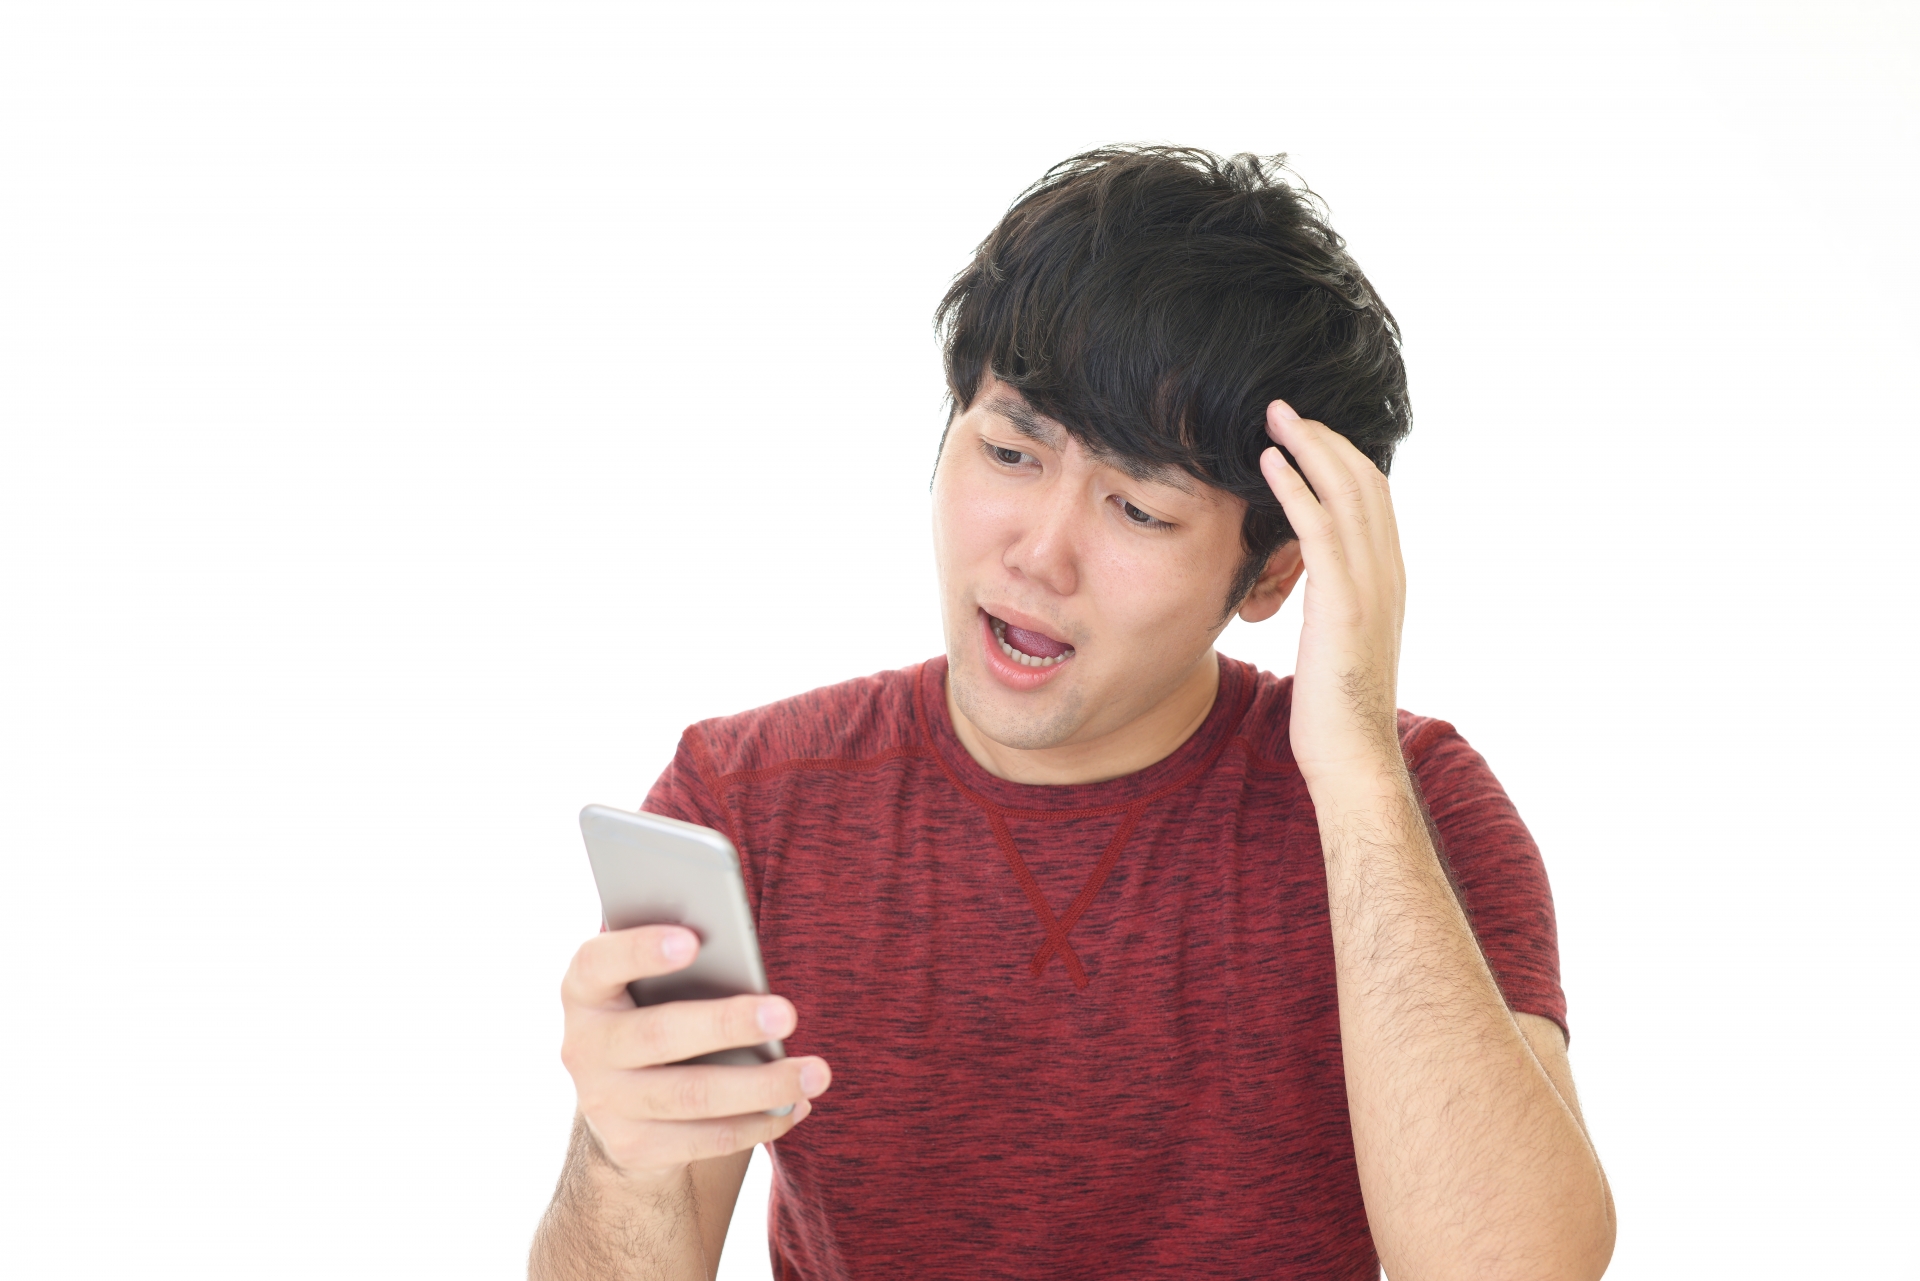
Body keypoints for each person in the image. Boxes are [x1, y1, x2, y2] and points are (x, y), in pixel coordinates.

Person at [529, 146, 1616, 1281]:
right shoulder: (749, 801)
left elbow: (1515, 1270)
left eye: (1139, 511)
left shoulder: (1414, 804)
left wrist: (1354, 766)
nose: (1039, 555)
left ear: (1273, 572)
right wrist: (621, 1151)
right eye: (1009, 452)